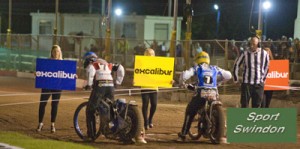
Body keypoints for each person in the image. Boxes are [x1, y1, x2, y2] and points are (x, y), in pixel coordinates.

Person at [177, 51, 232, 141]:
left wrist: (181, 82)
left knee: (190, 111)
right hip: (214, 93)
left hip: (201, 93)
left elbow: (184, 75)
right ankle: (223, 133)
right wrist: (219, 82)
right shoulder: (215, 68)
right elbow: (229, 75)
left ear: (198, 59)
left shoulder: (197, 68)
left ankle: (183, 135)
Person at [233, 36, 270, 108]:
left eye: (254, 44)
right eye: (250, 44)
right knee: (244, 105)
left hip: (259, 84)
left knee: (256, 106)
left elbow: (267, 67)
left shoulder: (264, 54)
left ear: (258, 44)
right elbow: (236, 65)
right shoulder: (245, 53)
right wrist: (235, 79)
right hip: (247, 84)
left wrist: (263, 80)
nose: (252, 46)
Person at [36, 45, 63, 133]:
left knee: (55, 105)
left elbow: (67, 75)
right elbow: (41, 72)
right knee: (42, 104)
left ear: (60, 53)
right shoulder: (47, 62)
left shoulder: (63, 63)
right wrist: (37, 73)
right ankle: (40, 123)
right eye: (54, 51)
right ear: (51, 52)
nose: (56, 53)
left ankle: (52, 124)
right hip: (47, 85)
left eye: (57, 51)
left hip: (57, 86)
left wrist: (73, 76)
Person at [140, 48, 159, 130]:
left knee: (154, 104)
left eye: (152, 54)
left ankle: (150, 119)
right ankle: (145, 122)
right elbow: (138, 73)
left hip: (154, 87)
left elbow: (162, 74)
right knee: (145, 104)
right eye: (148, 54)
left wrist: (169, 81)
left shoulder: (157, 64)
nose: (150, 55)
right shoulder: (141, 64)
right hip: (144, 86)